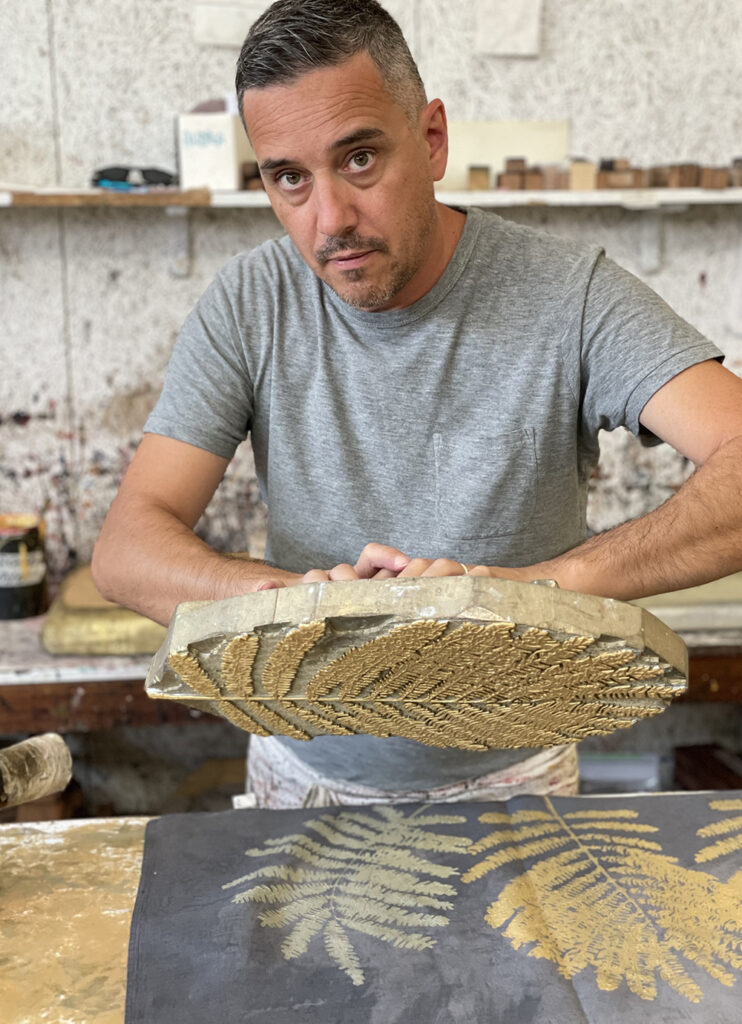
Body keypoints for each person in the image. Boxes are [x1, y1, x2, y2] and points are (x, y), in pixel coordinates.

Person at [92, 0, 742, 808]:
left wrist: (530, 594)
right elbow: (125, 548)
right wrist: (296, 606)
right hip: (301, 775)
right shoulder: (250, 302)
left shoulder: (570, 295)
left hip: (517, 779)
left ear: (432, 139)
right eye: (289, 178)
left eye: (359, 159)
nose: (329, 220)